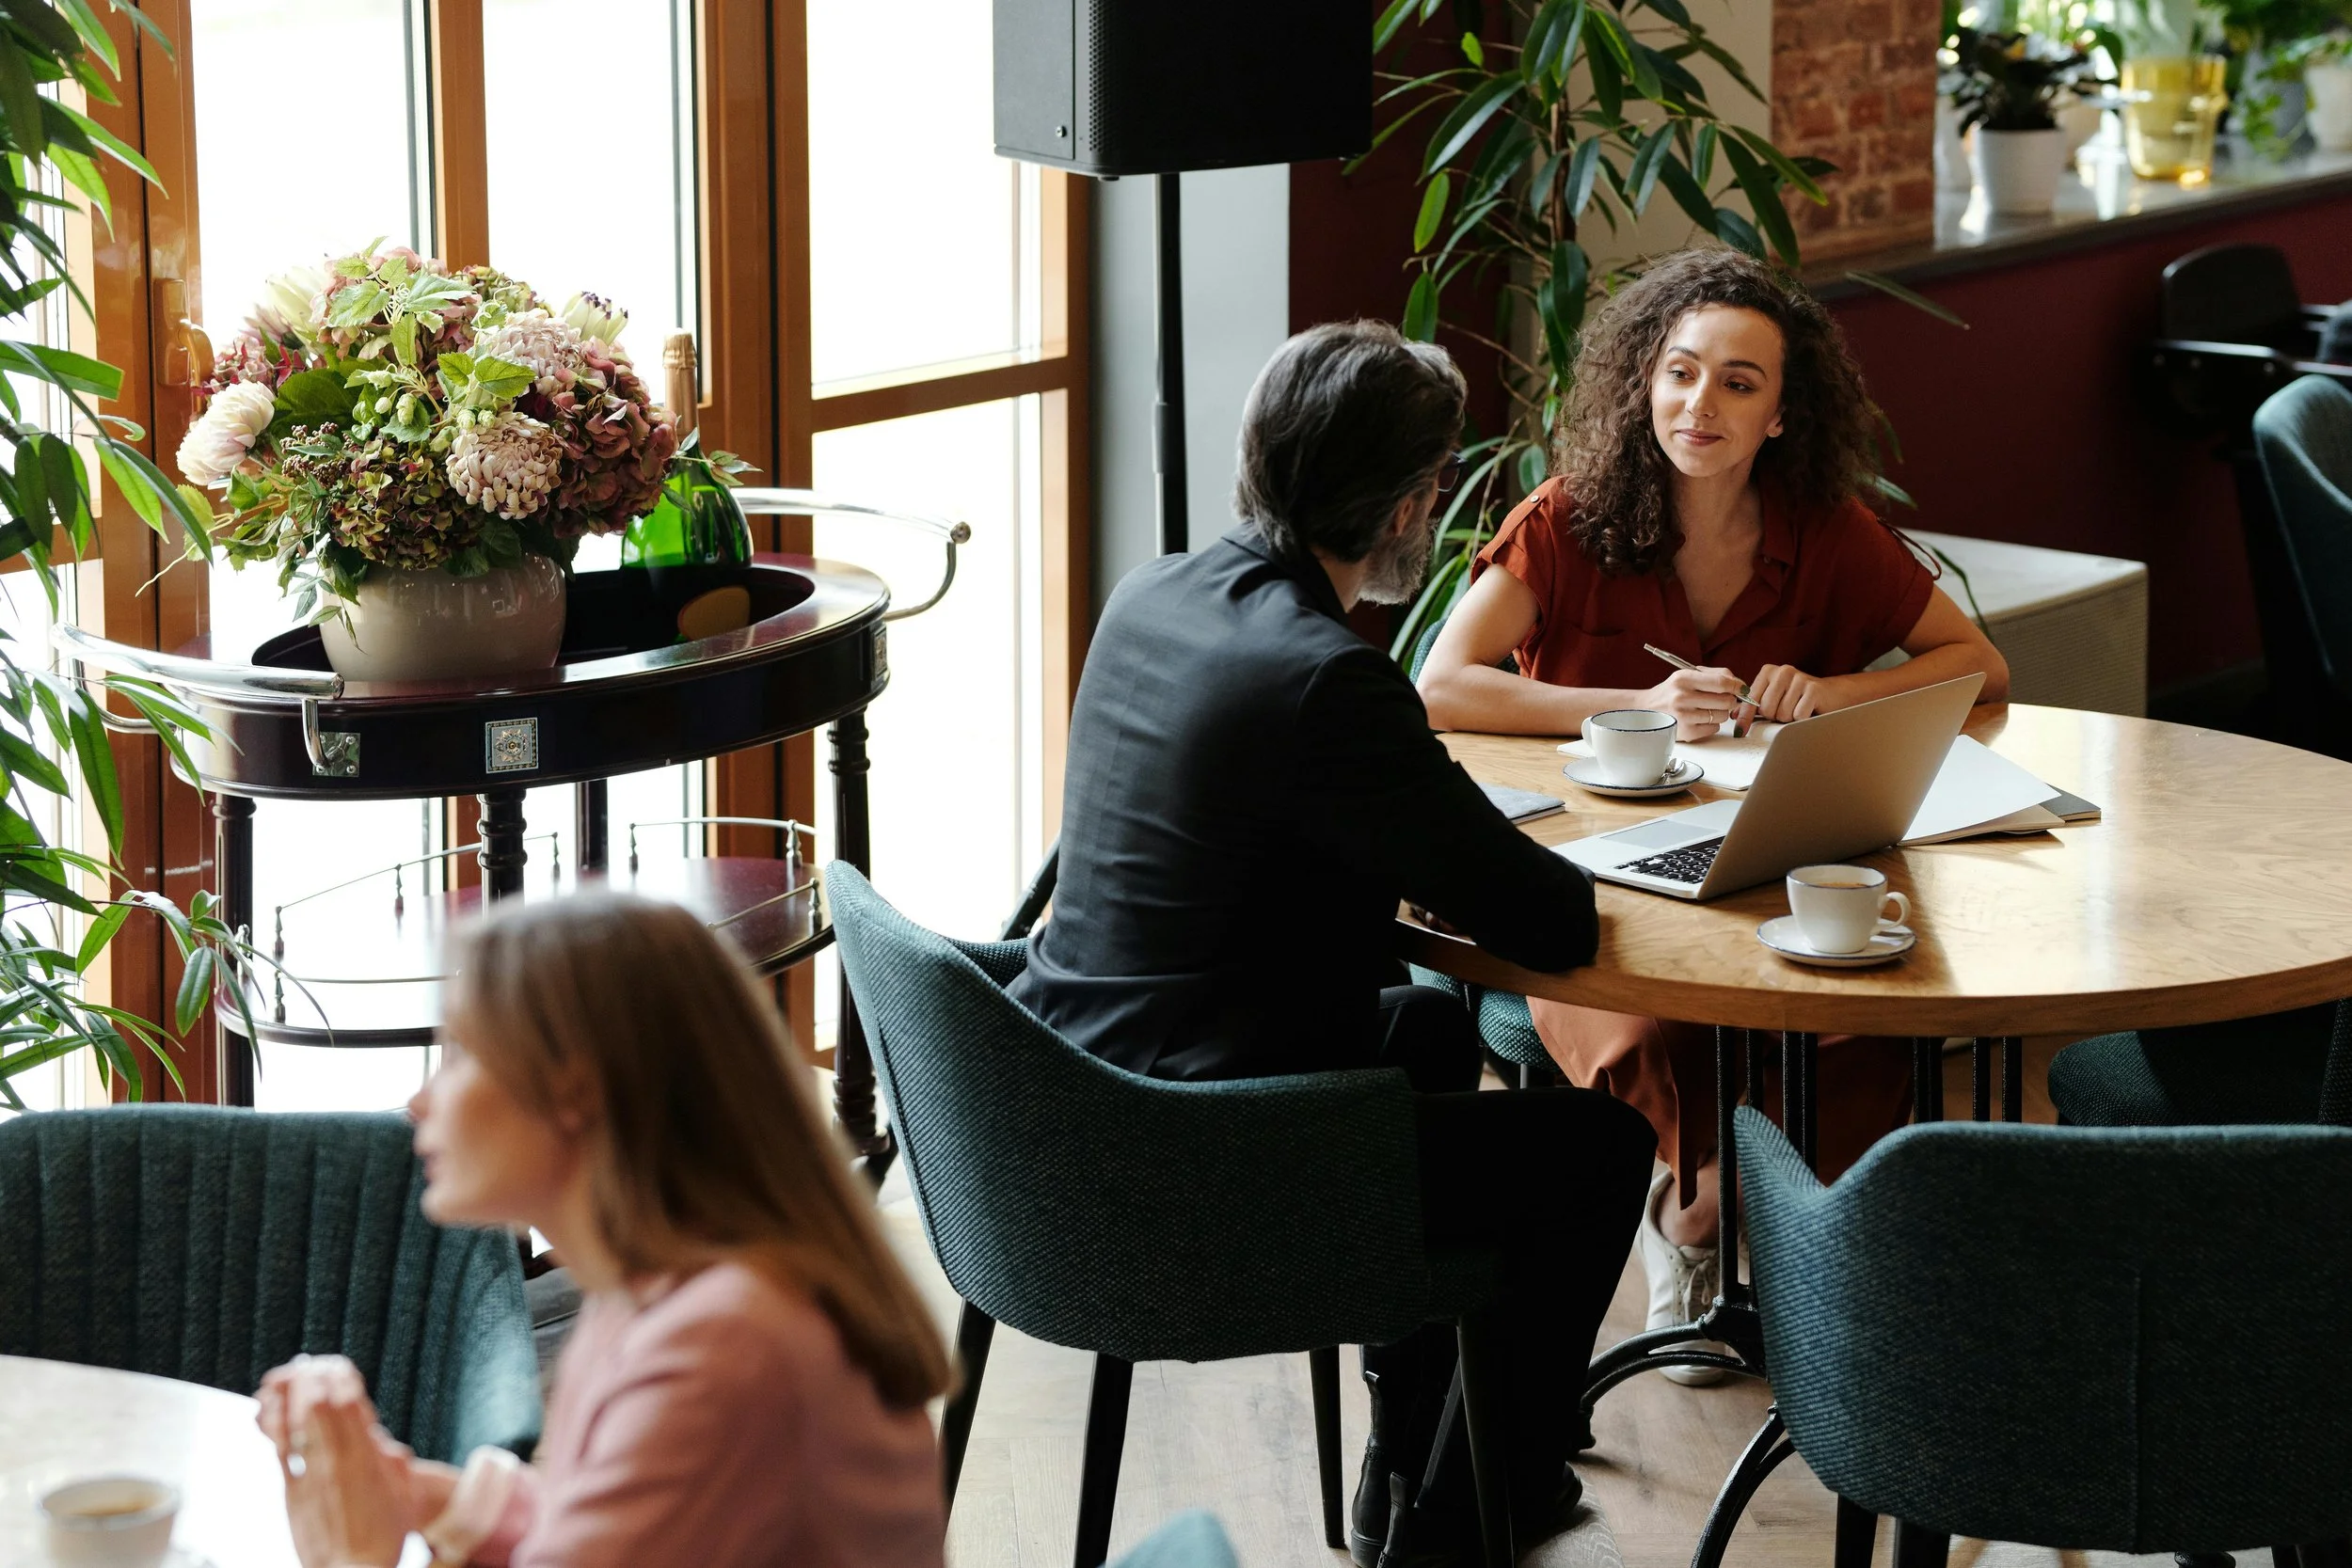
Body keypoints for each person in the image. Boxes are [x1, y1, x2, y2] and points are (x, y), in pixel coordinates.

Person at [1011, 319, 1657, 1566]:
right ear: (1413, 503)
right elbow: (1549, 917)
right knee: (1594, 1143)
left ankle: (1403, 1475)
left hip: (1068, 1111)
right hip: (1203, 1163)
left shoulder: (1156, 590)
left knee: (1417, 1024)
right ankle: (1463, 1526)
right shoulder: (1326, 677)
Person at [1416, 246, 2009, 1385]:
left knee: (1859, 1016)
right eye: (1681, 372)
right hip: (1593, 881)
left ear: (1782, 414)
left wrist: (1831, 692)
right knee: (1652, 1031)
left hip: (1771, 861)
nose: (1702, 403)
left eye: (1740, 382)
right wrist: (1630, 702)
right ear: (1644, 382)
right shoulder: (1568, 516)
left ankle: (1731, 1224)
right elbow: (1443, 684)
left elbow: (1976, 667)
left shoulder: (1824, 526)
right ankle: (1699, 1223)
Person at [254, 894, 950, 1568]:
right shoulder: (651, 1288)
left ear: (575, 1090)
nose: (420, 1101)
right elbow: (594, 1524)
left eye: (463, 1055)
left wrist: (349, 1551)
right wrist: (411, 1490)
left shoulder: (722, 1347)